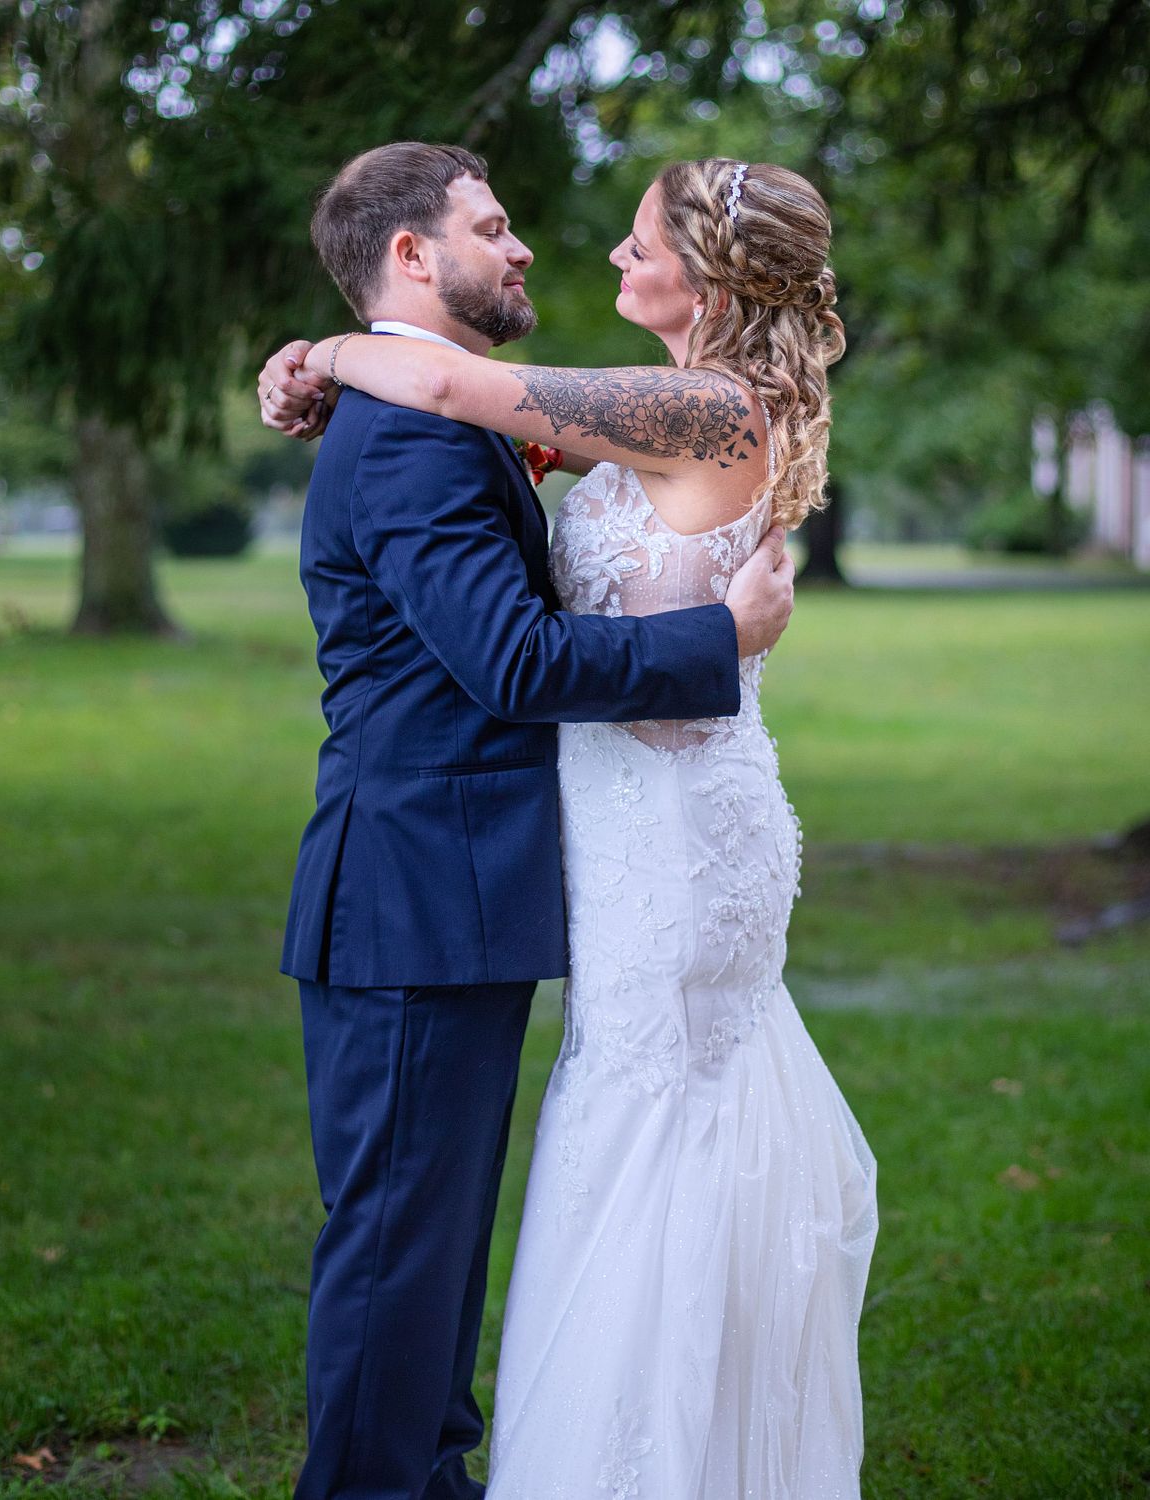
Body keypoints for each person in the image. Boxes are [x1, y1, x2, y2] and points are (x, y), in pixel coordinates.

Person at [257, 141, 797, 1500]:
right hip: (416, 899)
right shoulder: (414, 432)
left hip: (464, 895)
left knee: (426, 1256)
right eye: (493, 228)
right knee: (399, 1255)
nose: (531, 249)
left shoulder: (455, 417)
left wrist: (324, 359)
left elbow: (492, 418)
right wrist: (713, 641)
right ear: (413, 258)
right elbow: (513, 663)